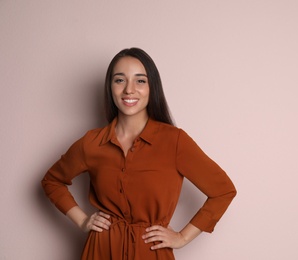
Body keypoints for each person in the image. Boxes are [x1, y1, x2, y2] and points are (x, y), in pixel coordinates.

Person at [41, 47, 237, 260]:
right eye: (119, 80)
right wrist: (82, 220)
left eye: (140, 80)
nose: (129, 90)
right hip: (101, 251)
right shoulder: (92, 143)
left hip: (151, 253)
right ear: (110, 87)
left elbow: (223, 191)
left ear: (152, 87)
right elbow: (52, 181)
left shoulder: (174, 141)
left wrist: (182, 237)